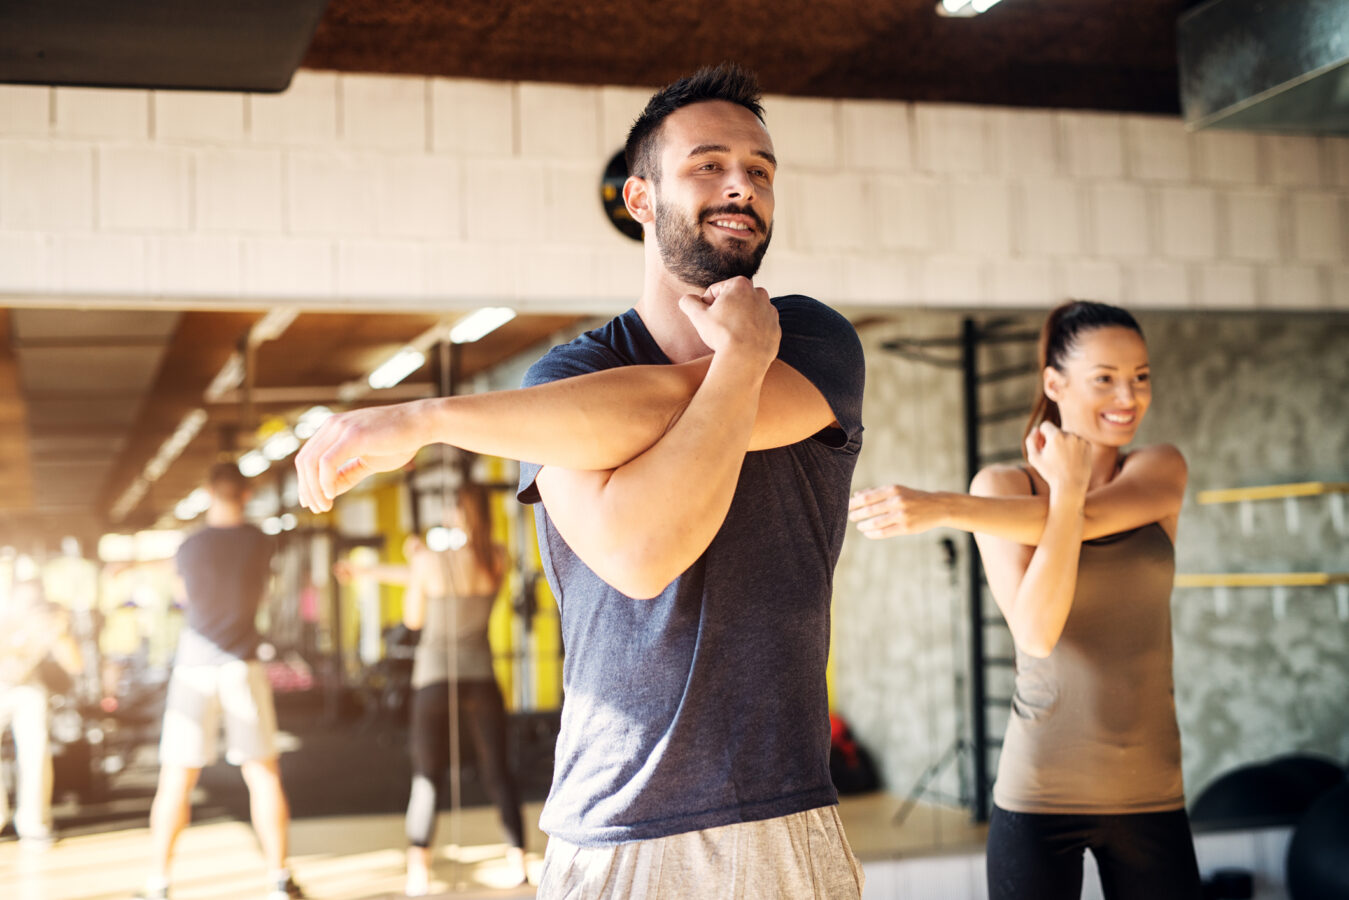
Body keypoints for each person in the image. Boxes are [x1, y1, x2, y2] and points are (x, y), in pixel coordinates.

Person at [295, 63, 866, 898]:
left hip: (782, 818)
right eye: (708, 164)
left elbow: (662, 406)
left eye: (760, 170)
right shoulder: (570, 377)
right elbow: (640, 554)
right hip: (612, 824)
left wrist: (431, 418)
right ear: (639, 199)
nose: (740, 184)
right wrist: (742, 363)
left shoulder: (810, 339)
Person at [850, 300, 1201, 900]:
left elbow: (1089, 516)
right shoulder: (1002, 487)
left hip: (1151, 792)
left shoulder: (1159, 468)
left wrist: (942, 507)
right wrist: (1061, 492)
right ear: (1054, 383)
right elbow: (1037, 633)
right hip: (1039, 793)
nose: (1129, 397)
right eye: (1106, 378)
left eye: (1141, 377)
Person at [336, 484, 527, 895]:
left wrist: (417, 563)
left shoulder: (430, 561)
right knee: (498, 771)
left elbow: (415, 618)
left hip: (434, 680)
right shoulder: (496, 557)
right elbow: (433, 573)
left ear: (458, 513)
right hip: (481, 678)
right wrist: (378, 570)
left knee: (427, 776)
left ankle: (418, 872)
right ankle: (518, 861)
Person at [133, 462, 304, 900]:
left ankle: (158, 882)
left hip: (194, 665)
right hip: (241, 665)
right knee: (263, 773)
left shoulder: (188, 547)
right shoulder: (260, 543)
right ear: (245, 495)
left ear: (208, 492)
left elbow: (183, 597)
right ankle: (279, 879)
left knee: (176, 777)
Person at [0, 579, 83, 848]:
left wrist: (60, 634)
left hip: (28, 688)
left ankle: (34, 824)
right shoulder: (6, 618)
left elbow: (75, 665)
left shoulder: (49, 621)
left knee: (36, 753)